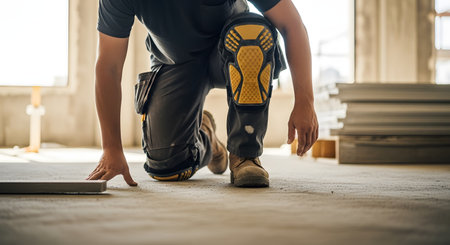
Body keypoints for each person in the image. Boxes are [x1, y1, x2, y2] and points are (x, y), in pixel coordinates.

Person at [87, 0, 318, 187]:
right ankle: (206, 138)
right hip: (175, 62)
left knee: (252, 33)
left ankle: (245, 155)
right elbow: (109, 66)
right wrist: (111, 148)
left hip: (232, 53)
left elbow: (291, 24)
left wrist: (305, 101)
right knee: (166, 167)